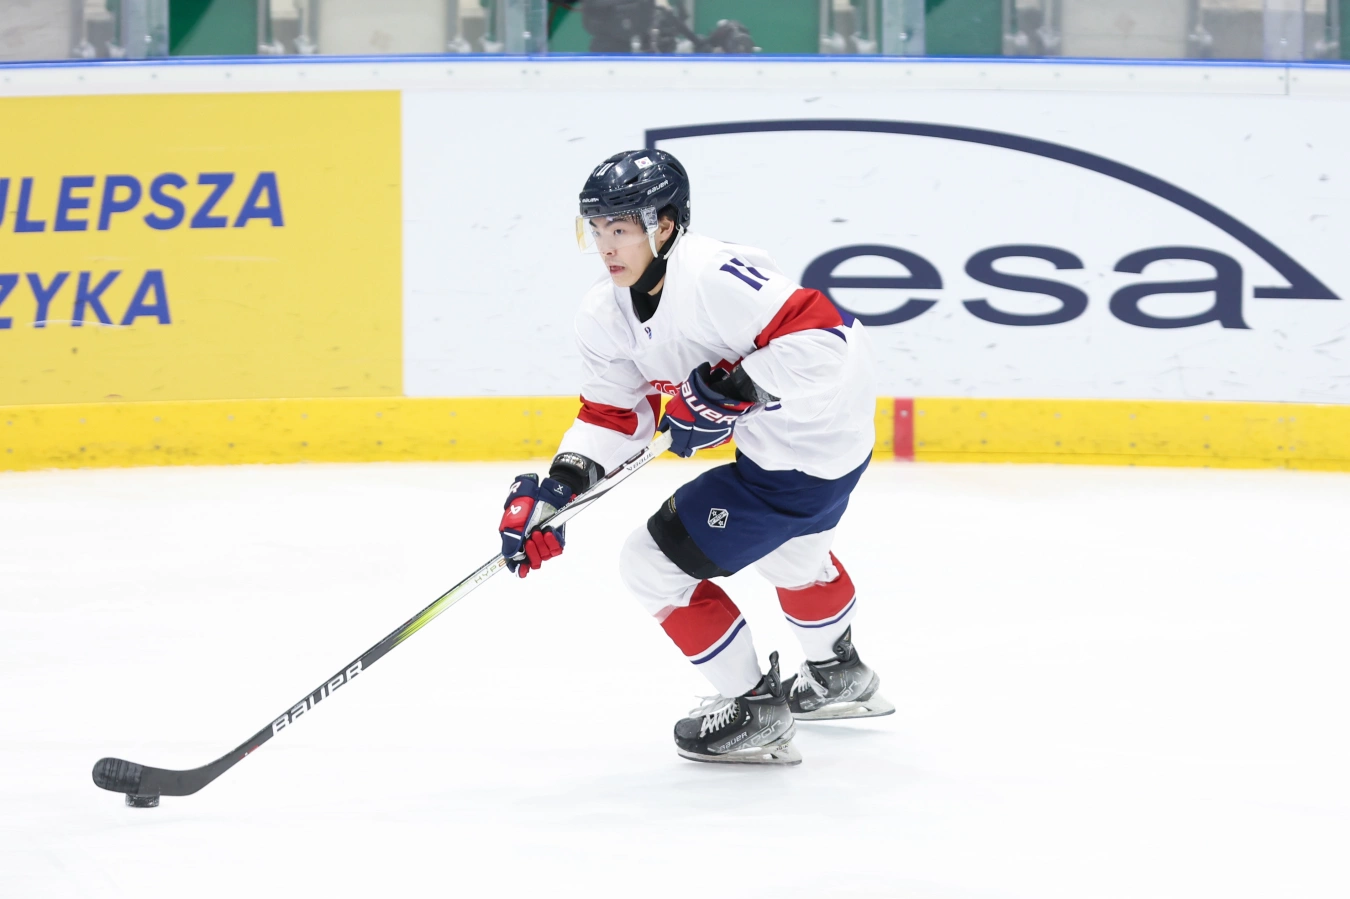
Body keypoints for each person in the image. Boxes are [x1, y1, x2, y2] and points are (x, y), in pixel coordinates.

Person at [496, 149, 892, 766]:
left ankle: (755, 709)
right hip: (819, 447)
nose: (606, 246)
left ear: (664, 225)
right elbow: (613, 415)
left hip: (808, 438)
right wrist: (559, 489)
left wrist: (736, 389)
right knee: (792, 556)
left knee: (650, 564)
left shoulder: (711, 276)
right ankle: (838, 675)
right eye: (596, 230)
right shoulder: (603, 313)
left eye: (620, 229)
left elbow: (825, 341)